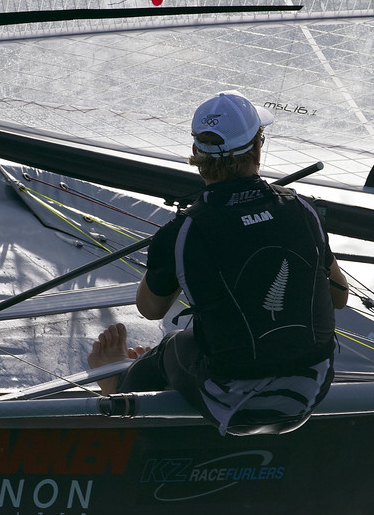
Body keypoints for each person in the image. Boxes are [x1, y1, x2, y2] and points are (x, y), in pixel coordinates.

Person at [88, 91, 349, 435]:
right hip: (311, 390)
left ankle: (117, 385)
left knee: (173, 345)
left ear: (196, 153)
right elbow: (339, 297)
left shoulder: (182, 232)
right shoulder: (303, 211)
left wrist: (174, 254)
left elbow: (150, 309)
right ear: (259, 146)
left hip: (234, 404)